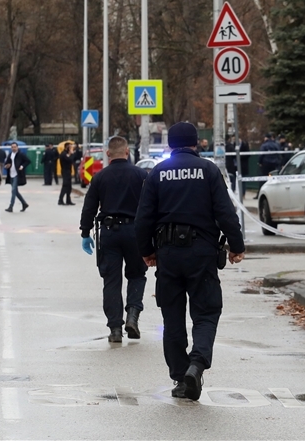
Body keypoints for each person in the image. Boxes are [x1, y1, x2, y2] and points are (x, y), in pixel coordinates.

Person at [134, 122, 245, 401]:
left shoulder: (158, 172)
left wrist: (147, 251)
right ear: (196, 142)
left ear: (170, 144)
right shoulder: (208, 170)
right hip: (201, 252)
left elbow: (143, 218)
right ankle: (196, 365)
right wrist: (236, 245)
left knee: (172, 317)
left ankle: (180, 377)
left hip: (168, 254)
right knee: (206, 312)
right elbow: (225, 212)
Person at [80, 136, 148, 343]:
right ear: (127, 152)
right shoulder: (141, 175)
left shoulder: (100, 177)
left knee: (111, 281)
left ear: (108, 154)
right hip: (135, 232)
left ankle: (115, 329)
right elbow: (150, 206)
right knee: (137, 275)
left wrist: (85, 232)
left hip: (109, 232)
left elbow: (89, 206)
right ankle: (133, 315)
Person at [4, 143, 30, 212]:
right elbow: (6, 163)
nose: (13, 148)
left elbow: (28, 161)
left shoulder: (20, 154)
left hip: (17, 174)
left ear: (17, 147)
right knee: (15, 191)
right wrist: (6, 166)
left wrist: (22, 166)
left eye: (15, 147)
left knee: (13, 190)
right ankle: (24, 203)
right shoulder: (10, 154)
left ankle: (11, 206)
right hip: (11, 174)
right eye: (12, 147)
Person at [224, 133, 250, 197]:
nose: (234, 140)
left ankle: (243, 193)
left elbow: (248, 154)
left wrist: (239, 157)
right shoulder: (232, 145)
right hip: (234, 165)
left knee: (243, 179)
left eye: (235, 138)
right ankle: (233, 190)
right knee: (233, 178)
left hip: (242, 164)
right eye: (233, 139)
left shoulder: (245, 145)